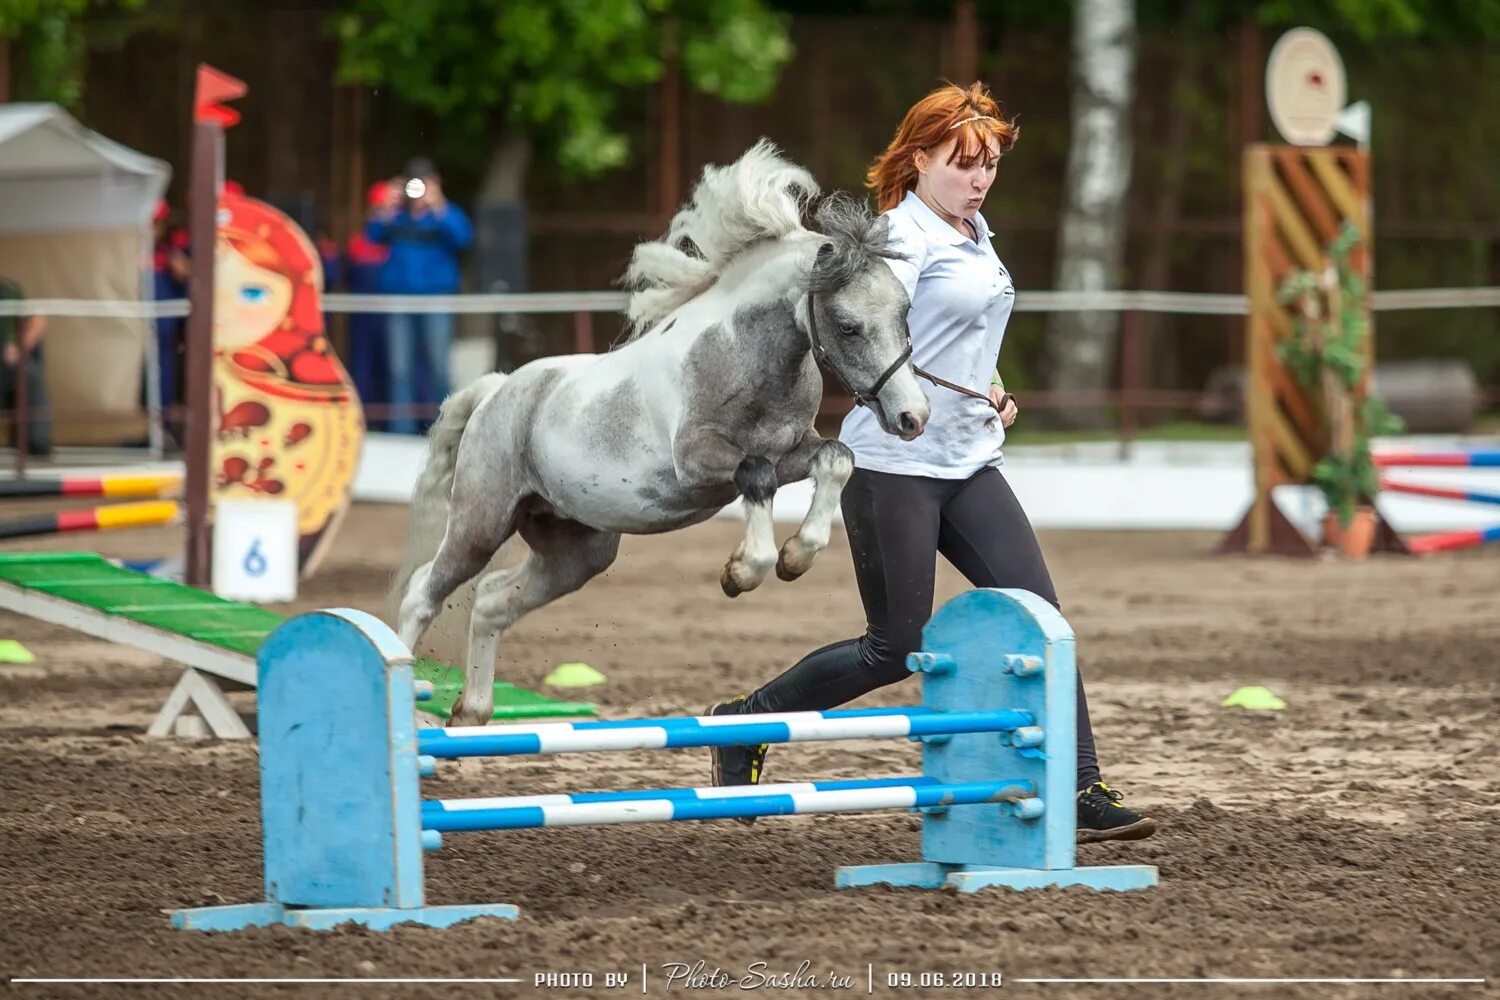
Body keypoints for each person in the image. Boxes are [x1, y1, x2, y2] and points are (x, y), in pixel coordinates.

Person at [706, 82, 1157, 843]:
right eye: (962, 163)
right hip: (892, 468)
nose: (979, 179)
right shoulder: (899, 240)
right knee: (894, 647)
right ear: (919, 160)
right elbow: (863, 329)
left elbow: (958, 342)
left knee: (1044, 621)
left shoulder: (973, 229)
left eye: (989, 164)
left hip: (971, 463)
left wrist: (993, 387)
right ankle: (745, 725)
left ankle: (1081, 787)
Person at [365, 157, 472, 435]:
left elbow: (463, 239)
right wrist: (384, 208)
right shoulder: (395, 214)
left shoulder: (445, 213)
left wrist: (439, 207)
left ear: (435, 184)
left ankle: (446, 429)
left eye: (425, 183)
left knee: (439, 365)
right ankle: (401, 429)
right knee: (399, 368)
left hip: (436, 297)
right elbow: (372, 236)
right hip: (398, 298)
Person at [0, 276, 51, 455]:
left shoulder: (8, 291)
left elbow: (38, 320)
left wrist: (19, 347)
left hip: (8, 364)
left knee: (30, 375)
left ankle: (36, 441)